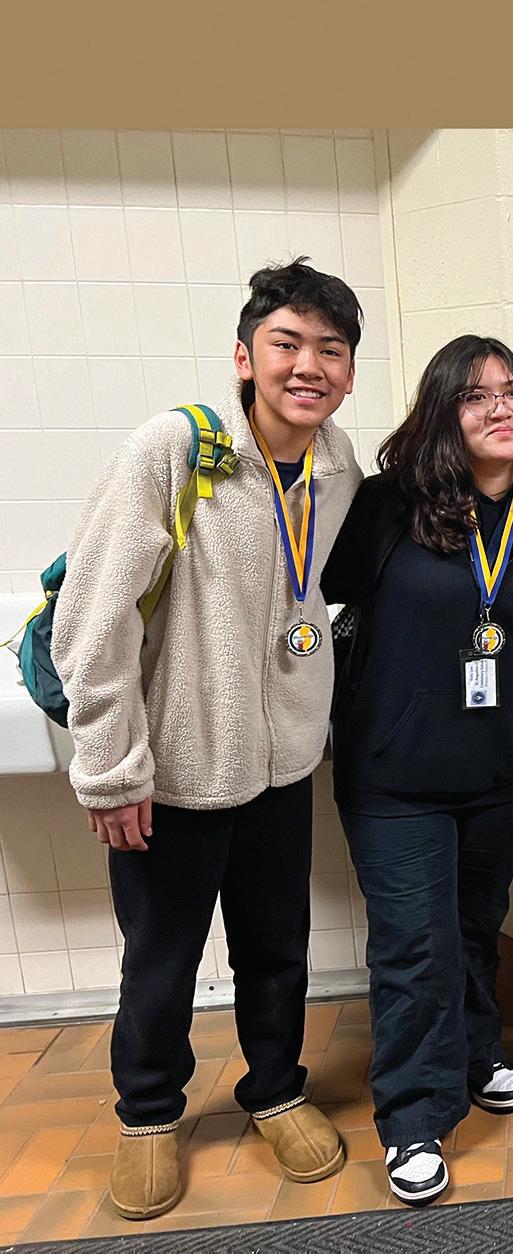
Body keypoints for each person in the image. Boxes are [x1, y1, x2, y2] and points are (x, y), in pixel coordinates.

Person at [53, 257, 362, 1219]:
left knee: (277, 947)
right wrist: (112, 771)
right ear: (244, 356)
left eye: (331, 350)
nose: (308, 366)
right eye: (287, 344)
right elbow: (93, 619)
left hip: (280, 764)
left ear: (350, 372)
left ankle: (275, 1089)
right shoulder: (176, 451)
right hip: (174, 768)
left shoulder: (338, 466)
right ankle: (149, 1113)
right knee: (162, 957)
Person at [324, 335, 513, 1204]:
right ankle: (413, 1113)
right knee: (416, 946)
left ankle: (476, 1049)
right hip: (392, 774)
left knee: (477, 928)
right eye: (476, 396)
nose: (501, 408)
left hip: (497, 772)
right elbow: (309, 604)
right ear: (444, 413)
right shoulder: (385, 506)